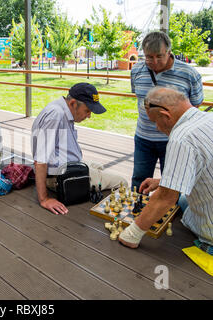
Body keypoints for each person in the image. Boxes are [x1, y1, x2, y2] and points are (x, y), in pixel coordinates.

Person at [119, 86, 213, 251]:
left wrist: (131, 234)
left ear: (165, 116)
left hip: (210, 228)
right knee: (183, 199)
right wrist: (164, 180)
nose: (157, 128)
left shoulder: (182, 138)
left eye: (156, 122)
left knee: (180, 203)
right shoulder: (208, 118)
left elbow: (165, 198)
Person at [31, 83, 128, 215]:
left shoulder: (60, 108)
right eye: (87, 110)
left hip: (67, 167)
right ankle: (115, 217)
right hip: (61, 178)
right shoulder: (56, 115)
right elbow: (40, 160)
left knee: (98, 166)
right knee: (122, 182)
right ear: (72, 103)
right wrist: (44, 199)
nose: (89, 116)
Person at [130, 31, 203, 191]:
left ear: (169, 52)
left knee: (172, 185)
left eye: (159, 56)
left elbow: (195, 108)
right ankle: (135, 212)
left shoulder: (189, 74)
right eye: (149, 57)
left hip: (174, 140)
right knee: (139, 180)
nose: (154, 62)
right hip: (143, 138)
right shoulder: (136, 71)